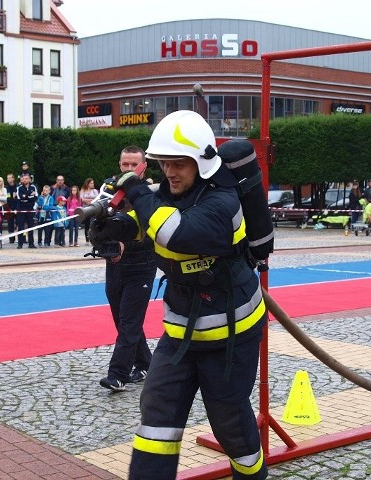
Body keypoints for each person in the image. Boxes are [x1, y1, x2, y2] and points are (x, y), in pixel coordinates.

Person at [90, 110, 267, 479]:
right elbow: (147, 219)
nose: (169, 172)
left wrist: (136, 191)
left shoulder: (223, 202)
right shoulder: (169, 192)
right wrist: (112, 226)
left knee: (230, 423)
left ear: (201, 162)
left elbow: (177, 232)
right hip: (181, 331)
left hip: (230, 334)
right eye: (164, 164)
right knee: (157, 411)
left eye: (178, 164)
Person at [98, 145, 157, 393]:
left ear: (143, 166)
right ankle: (146, 364)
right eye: (125, 165)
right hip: (115, 262)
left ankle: (118, 375)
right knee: (122, 320)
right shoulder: (107, 189)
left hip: (143, 263)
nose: (129, 169)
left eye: (134, 165)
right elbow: (98, 223)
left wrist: (127, 241)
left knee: (130, 321)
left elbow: (155, 227)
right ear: (119, 164)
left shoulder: (152, 192)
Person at [16, 172, 38, 248]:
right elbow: (20, 197)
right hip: (21, 209)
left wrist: (26, 196)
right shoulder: (19, 188)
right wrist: (29, 195)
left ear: (29, 179)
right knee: (21, 227)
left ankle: (31, 243)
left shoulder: (33, 187)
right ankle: (20, 244)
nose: (25, 180)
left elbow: (35, 197)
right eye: (23, 179)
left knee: (31, 226)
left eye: (26, 178)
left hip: (30, 209)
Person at [80, 178, 99, 244]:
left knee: (93, 224)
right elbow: (82, 199)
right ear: (87, 184)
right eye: (91, 183)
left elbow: (97, 198)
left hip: (93, 209)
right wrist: (90, 200)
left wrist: (88, 200)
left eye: (93, 183)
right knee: (87, 225)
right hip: (85, 209)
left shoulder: (95, 191)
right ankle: (87, 239)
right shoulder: (83, 191)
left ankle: (93, 238)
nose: (92, 184)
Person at [5, 173, 18, 243]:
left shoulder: (18, 187)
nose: (9, 179)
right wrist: (8, 209)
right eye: (8, 178)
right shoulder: (6, 188)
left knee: (20, 224)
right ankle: (11, 239)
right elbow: (5, 200)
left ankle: (23, 238)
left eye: (10, 178)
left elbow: (19, 199)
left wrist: (16, 208)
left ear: (13, 178)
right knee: (10, 225)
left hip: (17, 209)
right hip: (9, 209)